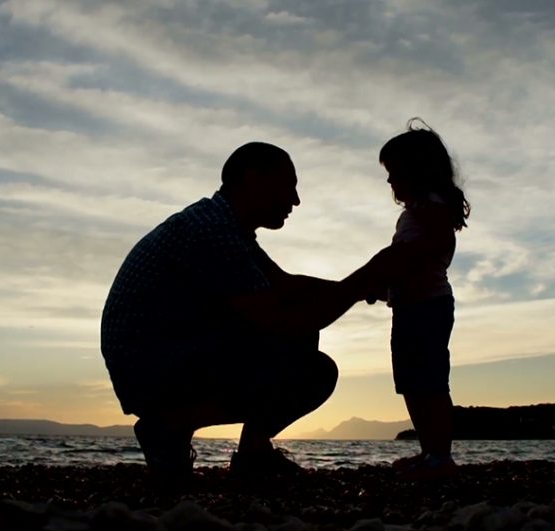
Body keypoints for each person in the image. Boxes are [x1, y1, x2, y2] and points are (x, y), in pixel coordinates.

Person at [101, 142, 396, 486]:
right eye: (289, 186)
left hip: (160, 357)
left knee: (300, 337)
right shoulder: (213, 230)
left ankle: (242, 450)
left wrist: (361, 287)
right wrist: (360, 283)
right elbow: (279, 319)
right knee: (313, 369)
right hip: (151, 368)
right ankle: (170, 425)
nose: (296, 200)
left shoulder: (224, 226)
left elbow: (284, 286)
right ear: (253, 178)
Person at [375, 119, 470, 480]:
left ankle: (440, 456)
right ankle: (428, 452)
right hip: (407, 306)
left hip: (428, 306)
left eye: (393, 172)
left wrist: (392, 271)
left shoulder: (432, 209)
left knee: (429, 381)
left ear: (417, 171)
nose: (389, 181)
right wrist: (385, 286)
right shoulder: (415, 213)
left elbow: (428, 251)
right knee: (410, 381)